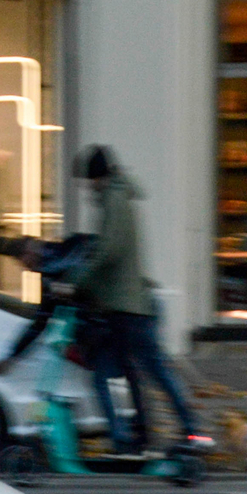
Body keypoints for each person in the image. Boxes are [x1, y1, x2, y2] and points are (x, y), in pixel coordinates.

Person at [72, 145, 204, 454]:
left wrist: (77, 281)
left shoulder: (113, 200)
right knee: (130, 373)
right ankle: (138, 437)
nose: (88, 188)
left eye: (89, 181)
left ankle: (191, 430)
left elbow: (109, 251)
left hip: (128, 306)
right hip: (124, 305)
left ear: (98, 177)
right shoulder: (116, 197)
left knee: (152, 370)